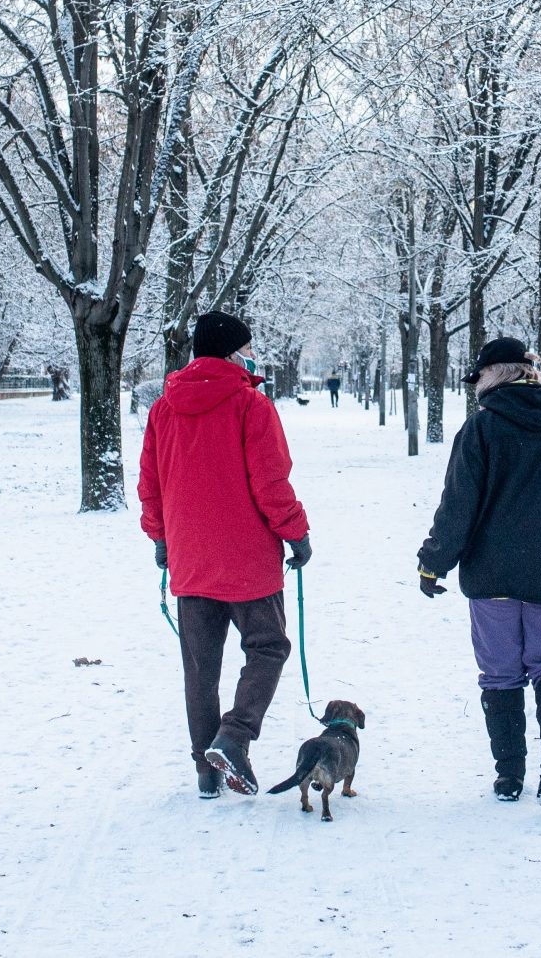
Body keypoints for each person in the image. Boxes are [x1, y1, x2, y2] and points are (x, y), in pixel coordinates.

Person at [418, 337, 541, 807]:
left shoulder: (480, 431)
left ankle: (509, 774)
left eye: (480, 378)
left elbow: (458, 507)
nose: (476, 387)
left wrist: (434, 560)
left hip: (492, 580)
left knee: (500, 674)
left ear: (496, 376)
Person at [140, 310, 313, 799]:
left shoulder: (162, 410)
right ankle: (234, 738)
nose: (252, 354)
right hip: (247, 560)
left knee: (200, 666)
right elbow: (271, 482)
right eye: (248, 347)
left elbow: (149, 486)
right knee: (269, 646)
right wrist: (296, 534)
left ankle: (206, 770)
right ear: (233, 351)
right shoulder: (250, 406)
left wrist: (161, 538)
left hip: (190, 560)